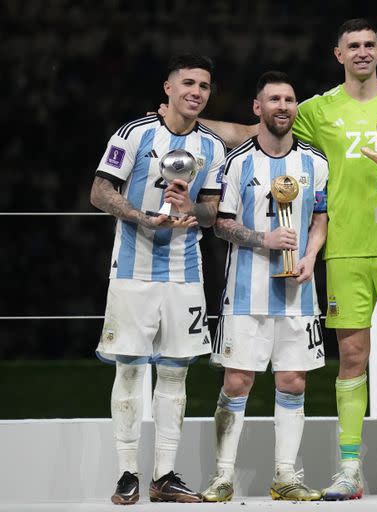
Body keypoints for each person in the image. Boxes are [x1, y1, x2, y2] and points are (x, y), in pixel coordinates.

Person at [190, 18, 377, 501]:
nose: (362, 52)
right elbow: (254, 130)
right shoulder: (316, 109)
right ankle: (350, 470)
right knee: (350, 359)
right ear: (338, 54)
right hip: (344, 251)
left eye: (370, 44)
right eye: (353, 45)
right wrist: (190, 120)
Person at [91, 53, 226, 505]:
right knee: (130, 367)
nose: (196, 92)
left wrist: (193, 211)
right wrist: (140, 217)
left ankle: (164, 474)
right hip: (133, 267)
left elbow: (211, 211)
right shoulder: (133, 134)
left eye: (204, 86)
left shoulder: (213, 147)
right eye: (188, 83)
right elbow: (100, 191)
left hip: (186, 273)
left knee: (175, 372)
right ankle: (127, 472)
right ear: (168, 88)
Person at [199, 71, 329, 503]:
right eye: (273, 99)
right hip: (245, 291)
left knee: (293, 381)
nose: (283, 106)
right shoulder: (237, 162)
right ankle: (222, 476)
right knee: (238, 381)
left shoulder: (315, 162)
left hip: (299, 293)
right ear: (258, 108)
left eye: (289, 99)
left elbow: (320, 218)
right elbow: (221, 224)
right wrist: (264, 239)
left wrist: (310, 256)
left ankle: (286, 476)